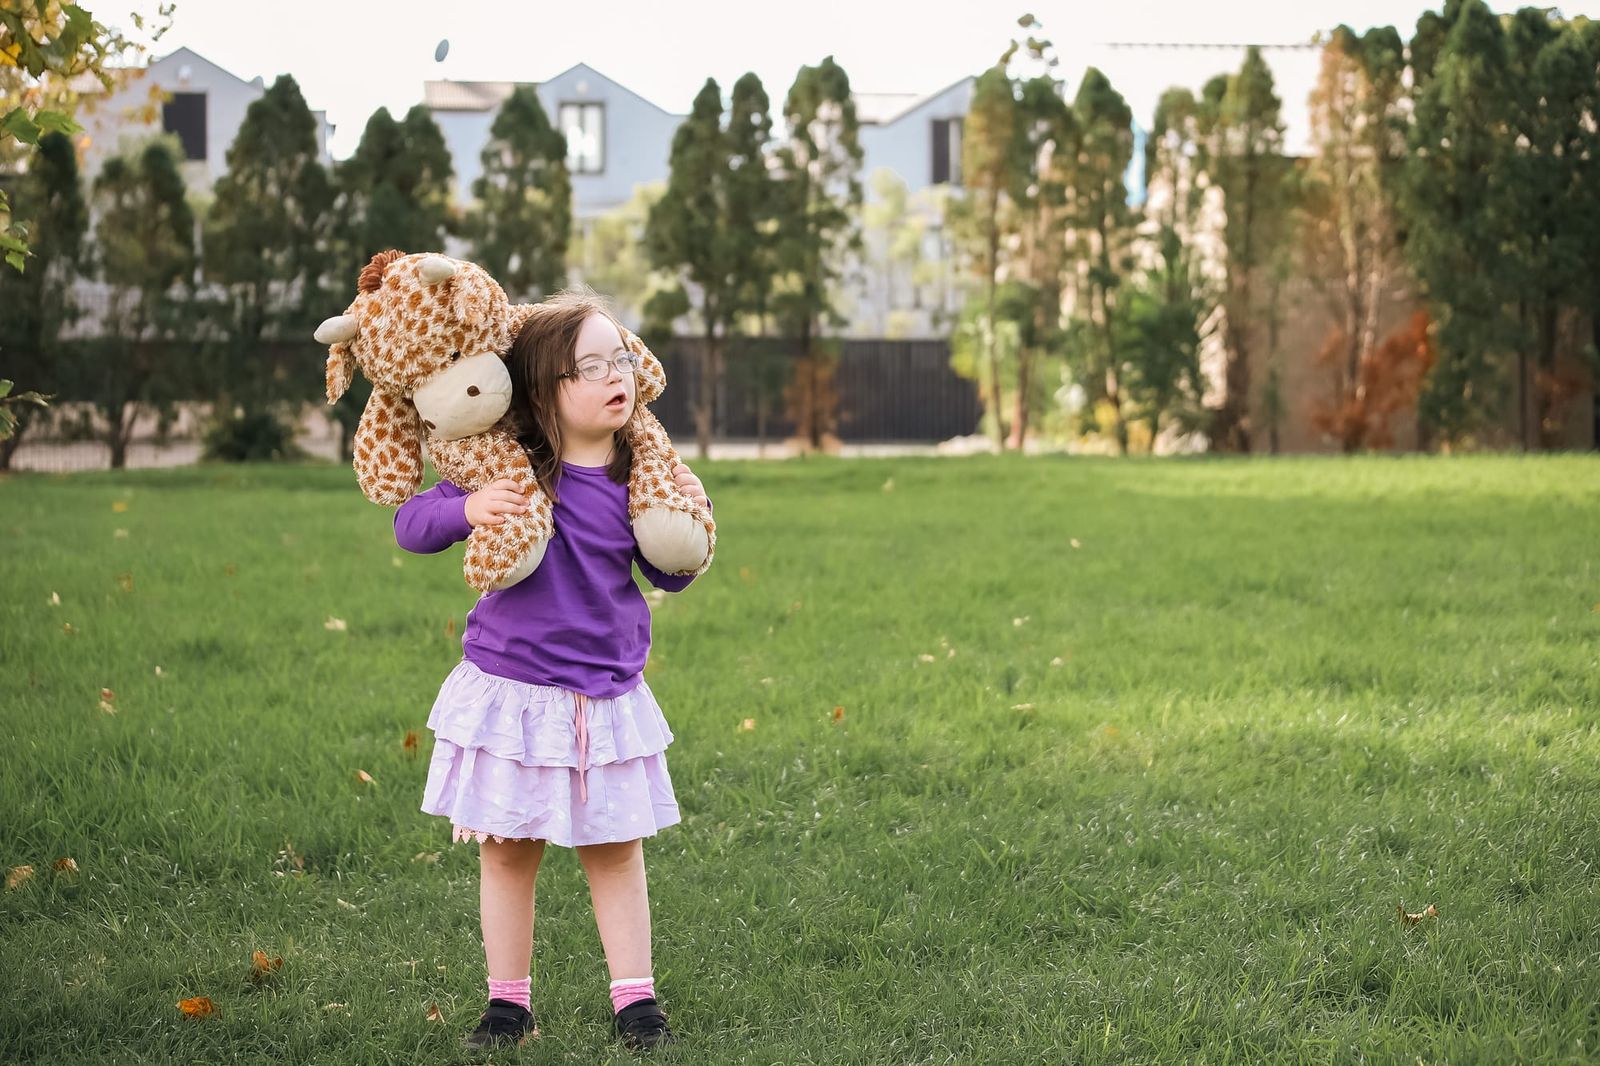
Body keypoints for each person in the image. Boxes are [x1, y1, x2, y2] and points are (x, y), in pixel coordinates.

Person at [393, 289, 712, 1052]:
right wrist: (469, 511)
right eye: (589, 366)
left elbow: (665, 576)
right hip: (517, 692)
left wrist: (683, 542)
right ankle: (509, 1004)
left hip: (603, 694)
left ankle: (637, 1002)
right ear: (541, 391)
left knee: (614, 848)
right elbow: (410, 525)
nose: (616, 376)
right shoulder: (510, 467)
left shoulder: (641, 471)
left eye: (622, 359)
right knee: (507, 851)